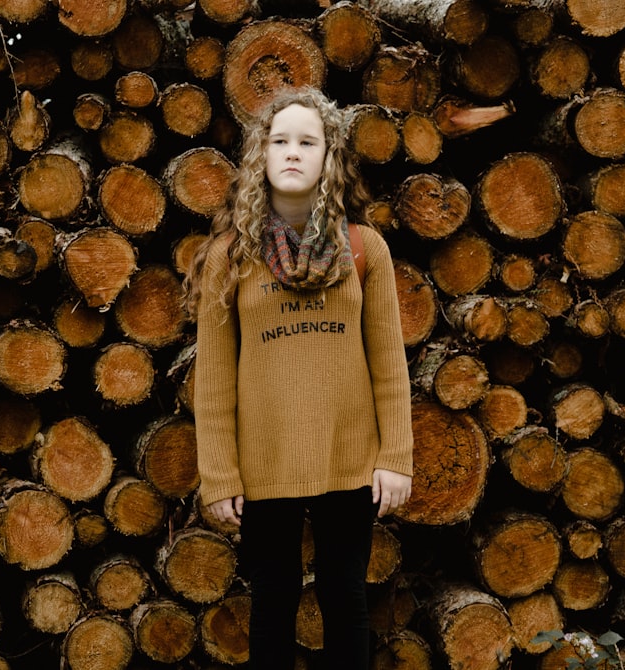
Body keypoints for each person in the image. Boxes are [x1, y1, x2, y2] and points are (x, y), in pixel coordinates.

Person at [184, 85, 413, 670]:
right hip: (265, 462)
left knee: (345, 598)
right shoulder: (231, 257)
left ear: (329, 158)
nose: (292, 152)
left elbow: (389, 364)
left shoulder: (365, 250)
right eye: (279, 140)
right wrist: (219, 472)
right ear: (261, 155)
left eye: (307, 142)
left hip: (350, 456)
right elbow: (213, 379)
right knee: (273, 601)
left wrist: (396, 455)